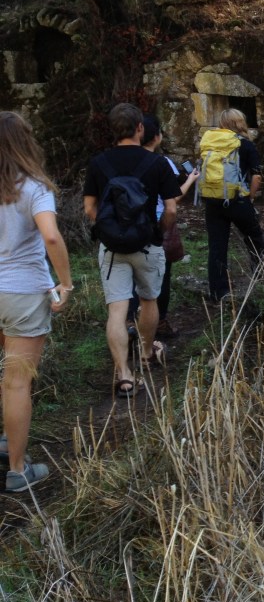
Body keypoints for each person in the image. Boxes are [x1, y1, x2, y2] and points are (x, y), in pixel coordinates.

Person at [83, 103, 182, 399]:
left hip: (112, 247)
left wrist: (109, 230)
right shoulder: (157, 163)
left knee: (117, 309)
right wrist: (158, 231)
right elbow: (172, 209)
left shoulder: (98, 163)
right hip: (147, 243)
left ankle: (124, 375)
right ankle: (146, 355)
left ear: (112, 130)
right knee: (149, 300)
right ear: (140, 127)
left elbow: (89, 208)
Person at [0, 111, 73, 491]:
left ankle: (6, 440)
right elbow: (52, 237)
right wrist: (66, 283)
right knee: (17, 382)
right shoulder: (33, 187)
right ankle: (17, 470)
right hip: (22, 292)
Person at [126, 114, 199, 339]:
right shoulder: (161, 162)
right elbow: (173, 199)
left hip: (129, 224)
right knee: (161, 276)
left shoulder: (124, 159)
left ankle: (131, 321)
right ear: (157, 137)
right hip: (158, 222)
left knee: (132, 276)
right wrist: (191, 179)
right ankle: (160, 322)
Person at [199, 108, 264, 301]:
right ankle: (261, 281)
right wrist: (250, 198)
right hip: (238, 200)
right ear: (240, 122)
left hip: (213, 200)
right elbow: (256, 176)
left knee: (217, 246)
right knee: (255, 239)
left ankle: (218, 293)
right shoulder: (245, 144)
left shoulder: (210, 141)